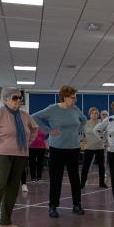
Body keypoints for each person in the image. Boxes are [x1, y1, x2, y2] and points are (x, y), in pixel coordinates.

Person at [32, 85, 86, 218]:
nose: (75, 100)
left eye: (75, 98)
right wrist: (47, 130)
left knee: (75, 178)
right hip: (57, 149)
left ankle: (77, 204)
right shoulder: (52, 109)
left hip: (74, 148)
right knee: (56, 178)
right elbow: (34, 117)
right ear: (64, 97)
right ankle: (53, 206)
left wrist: (80, 131)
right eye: (73, 98)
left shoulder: (75, 109)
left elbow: (83, 119)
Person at [0, 88, 38, 227]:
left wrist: (27, 143)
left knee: (13, 189)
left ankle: (5, 222)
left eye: (20, 98)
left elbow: (34, 129)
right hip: (2, 154)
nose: (18, 101)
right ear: (6, 99)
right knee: (0, 184)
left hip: (20, 154)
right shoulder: (1, 113)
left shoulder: (25, 115)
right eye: (15, 98)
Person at [80, 107, 107, 189]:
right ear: (90, 114)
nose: (94, 115)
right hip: (89, 148)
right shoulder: (86, 123)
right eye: (92, 113)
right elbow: (81, 134)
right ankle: (82, 183)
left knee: (101, 166)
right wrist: (82, 141)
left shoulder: (101, 123)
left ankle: (102, 183)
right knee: (85, 166)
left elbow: (106, 134)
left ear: (98, 115)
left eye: (96, 113)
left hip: (100, 147)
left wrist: (105, 141)